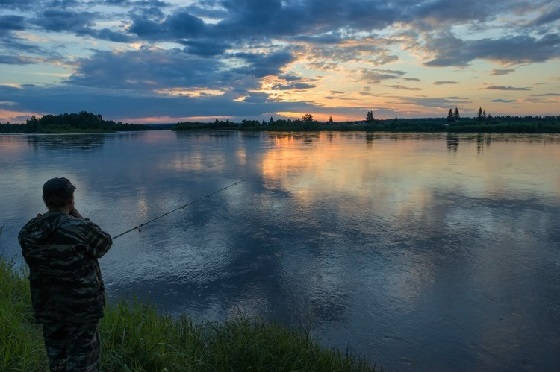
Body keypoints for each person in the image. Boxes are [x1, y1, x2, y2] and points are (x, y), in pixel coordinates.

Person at [19, 177, 112, 372]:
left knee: (57, 357)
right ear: (71, 200)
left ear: (45, 200)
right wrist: (76, 215)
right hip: (81, 308)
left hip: (48, 305)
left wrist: (44, 220)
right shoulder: (80, 227)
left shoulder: (28, 231)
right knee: (84, 360)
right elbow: (104, 243)